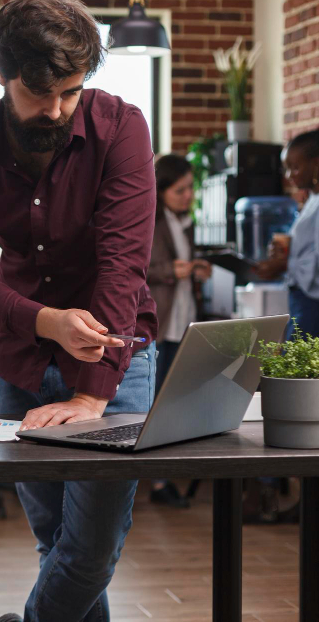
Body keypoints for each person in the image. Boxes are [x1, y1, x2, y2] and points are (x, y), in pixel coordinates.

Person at [0, 0, 158, 622]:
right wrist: (47, 323)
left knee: (89, 551)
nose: (59, 110)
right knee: (54, 544)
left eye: (72, 91)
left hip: (115, 363)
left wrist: (91, 396)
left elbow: (123, 267)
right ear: (2, 75)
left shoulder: (122, 128)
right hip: (22, 364)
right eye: (42, 95)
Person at [145, 155, 211, 509]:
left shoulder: (186, 224)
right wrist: (173, 270)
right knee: (155, 402)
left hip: (184, 320)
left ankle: (164, 476)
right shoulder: (150, 223)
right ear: (162, 190)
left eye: (190, 188)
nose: (188, 195)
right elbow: (139, 269)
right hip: (159, 322)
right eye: (180, 189)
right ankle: (158, 482)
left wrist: (197, 268)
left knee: (172, 401)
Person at [256, 125, 319, 339]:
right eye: (286, 168)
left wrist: (285, 264)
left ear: (316, 164)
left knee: (297, 371)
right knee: (293, 370)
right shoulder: (313, 200)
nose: (289, 175)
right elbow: (308, 250)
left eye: (294, 167)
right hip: (304, 303)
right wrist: (284, 252)